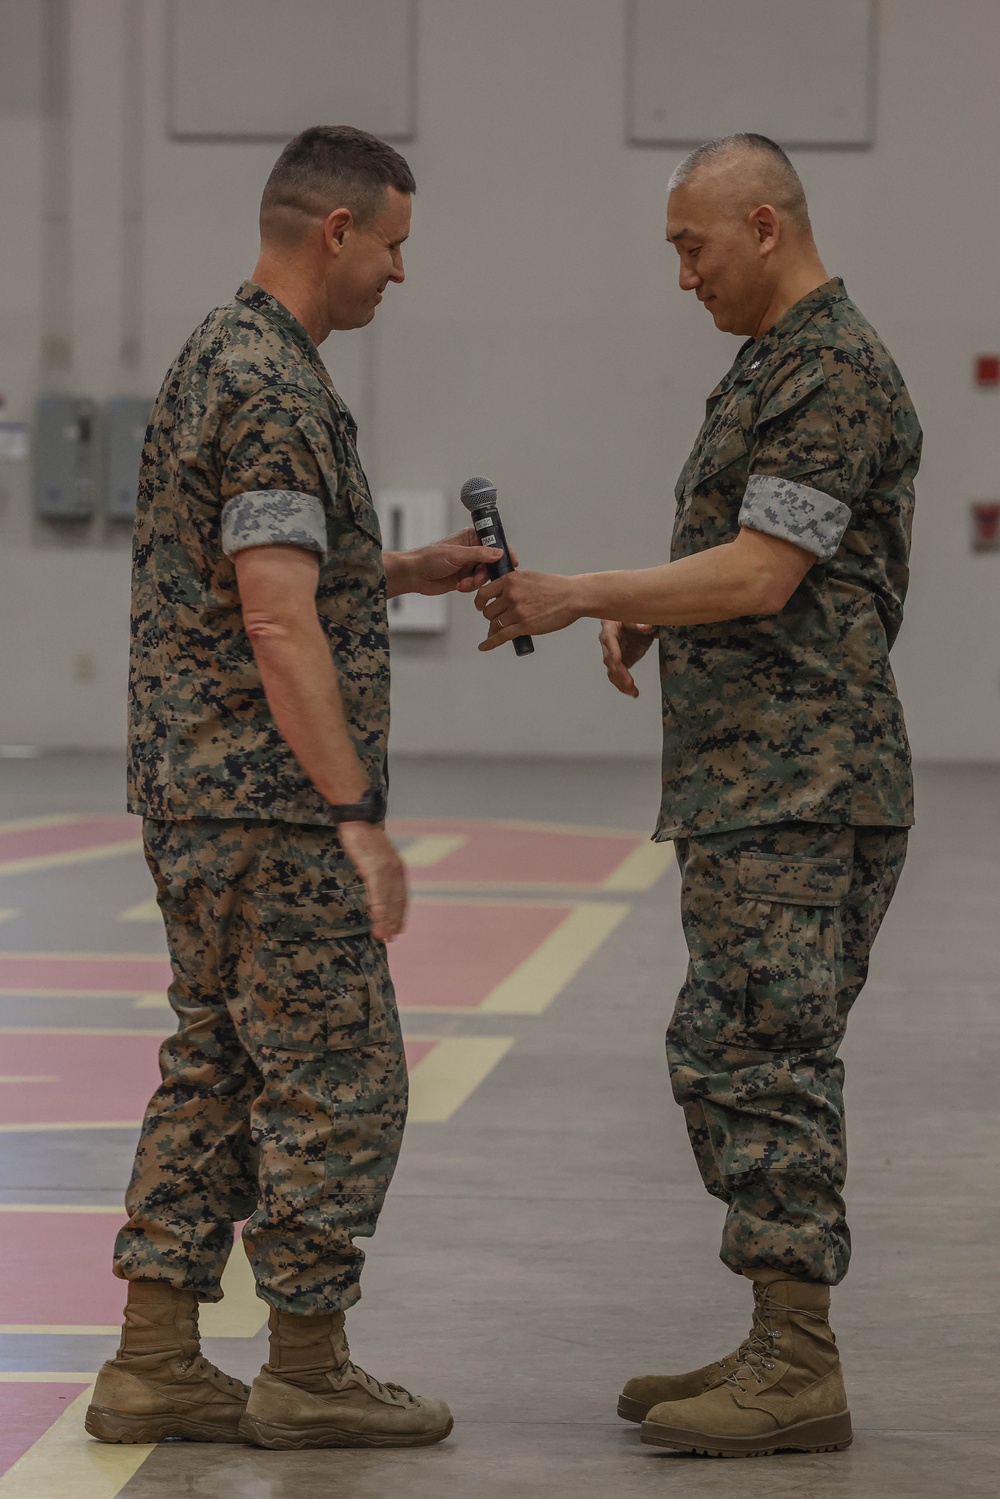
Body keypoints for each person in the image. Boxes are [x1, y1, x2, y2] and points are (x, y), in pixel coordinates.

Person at [474, 133, 920, 1458]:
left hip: (803, 784)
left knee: (762, 1058)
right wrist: (663, 622)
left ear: (766, 225)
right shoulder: (775, 367)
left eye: (692, 246)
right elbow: (754, 560)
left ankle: (799, 1362)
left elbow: (767, 576)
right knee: (735, 1051)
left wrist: (585, 592)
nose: (683, 276)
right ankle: (774, 1333)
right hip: (754, 781)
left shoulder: (835, 372)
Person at [85, 125, 503, 1451]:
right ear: (337, 232)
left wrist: (398, 571)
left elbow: (259, 580)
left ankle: (154, 1356)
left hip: (197, 798)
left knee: (213, 1062)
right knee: (341, 1075)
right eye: (393, 246)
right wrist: (355, 817)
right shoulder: (274, 383)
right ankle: (308, 1366)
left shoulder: (218, 354)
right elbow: (273, 624)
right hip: (271, 809)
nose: (397, 274)